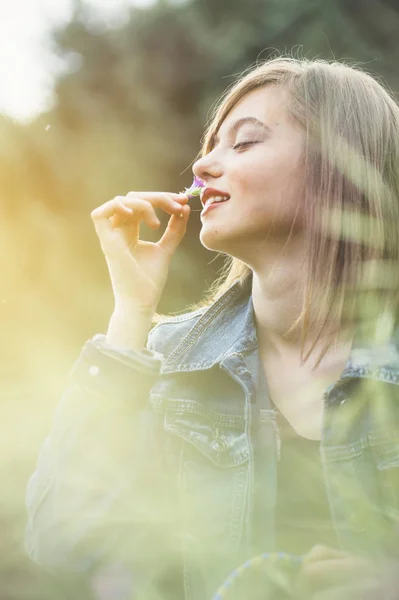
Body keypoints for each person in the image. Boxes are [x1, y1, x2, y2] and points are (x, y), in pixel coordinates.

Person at [25, 55, 399, 600]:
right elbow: (61, 542)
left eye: (244, 143)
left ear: (340, 168)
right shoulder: (166, 359)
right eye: (210, 148)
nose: (201, 168)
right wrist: (131, 313)